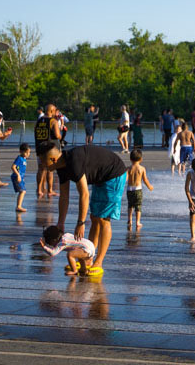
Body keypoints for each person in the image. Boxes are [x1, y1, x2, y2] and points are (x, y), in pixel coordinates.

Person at [38, 142, 128, 277]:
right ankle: (88, 258)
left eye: (43, 162)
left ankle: (99, 262)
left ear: (53, 159)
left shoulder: (74, 163)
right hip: (100, 177)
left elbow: (84, 194)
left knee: (103, 219)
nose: (42, 166)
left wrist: (80, 223)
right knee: (94, 217)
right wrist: (61, 223)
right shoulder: (61, 166)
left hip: (113, 174)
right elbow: (64, 196)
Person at [35, 103, 61, 198]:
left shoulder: (39, 121)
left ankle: (39, 190)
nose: (55, 112)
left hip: (40, 147)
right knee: (50, 169)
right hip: (51, 149)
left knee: (41, 169)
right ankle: (50, 190)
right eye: (54, 111)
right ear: (51, 111)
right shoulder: (53, 121)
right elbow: (58, 136)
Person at [126, 148, 154, 230]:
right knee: (138, 206)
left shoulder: (128, 169)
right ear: (141, 159)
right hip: (138, 190)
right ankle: (138, 222)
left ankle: (129, 220)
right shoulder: (141, 168)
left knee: (130, 205)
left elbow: (126, 179)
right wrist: (150, 187)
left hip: (129, 189)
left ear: (130, 159)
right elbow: (145, 180)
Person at [11, 142, 30, 212]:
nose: (28, 154)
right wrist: (18, 175)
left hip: (20, 177)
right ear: (21, 151)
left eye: (29, 152)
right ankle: (18, 206)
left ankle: (19, 206)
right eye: (26, 152)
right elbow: (13, 167)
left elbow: (20, 169)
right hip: (16, 177)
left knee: (23, 191)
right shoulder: (19, 158)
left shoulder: (24, 158)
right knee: (22, 191)